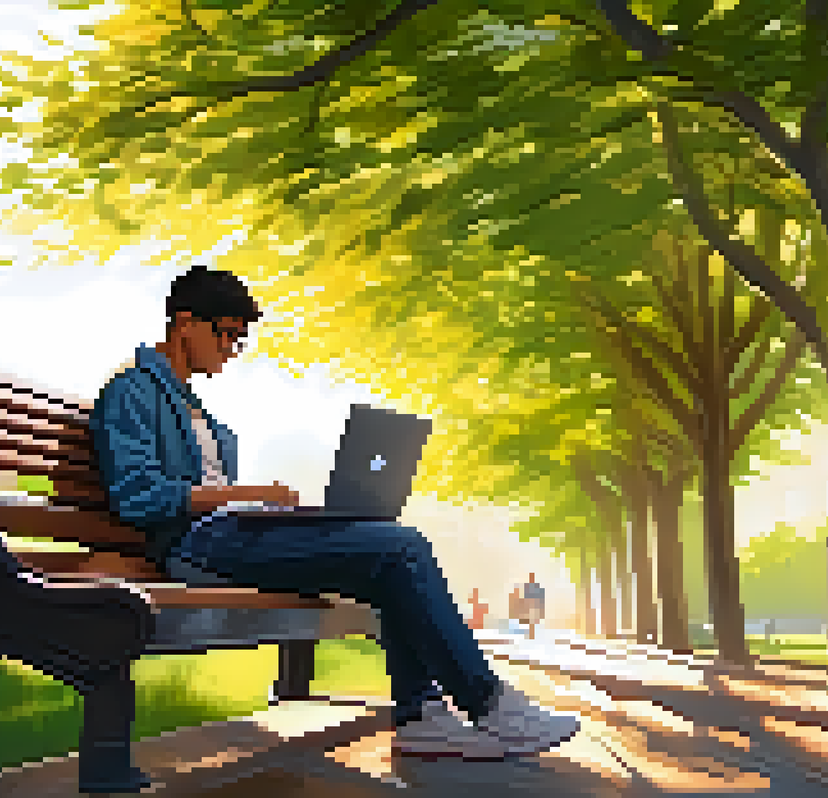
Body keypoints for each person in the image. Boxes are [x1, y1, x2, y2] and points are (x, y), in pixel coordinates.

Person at [88, 265, 580, 770]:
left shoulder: (199, 412)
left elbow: (213, 496)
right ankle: (491, 706)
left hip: (234, 532)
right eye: (227, 334)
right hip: (196, 546)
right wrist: (248, 495)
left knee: (389, 550)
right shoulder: (132, 394)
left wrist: (272, 509)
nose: (232, 350)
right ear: (185, 323)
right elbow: (137, 496)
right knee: (401, 548)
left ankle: (422, 715)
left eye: (240, 339)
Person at [520, 573, 546, 639]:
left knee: (533, 621)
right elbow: (525, 598)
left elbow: (540, 597)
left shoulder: (537, 587)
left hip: (534, 606)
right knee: (531, 622)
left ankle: (532, 635)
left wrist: (540, 608)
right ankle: (531, 635)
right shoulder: (527, 587)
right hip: (530, 606)